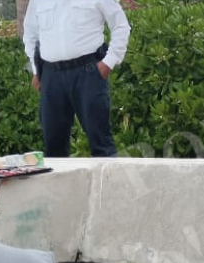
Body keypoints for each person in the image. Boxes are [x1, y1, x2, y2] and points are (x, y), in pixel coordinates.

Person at [22, 0, 131, 158]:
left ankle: (109, 182)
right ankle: (59, 183)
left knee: (100, 141)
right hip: (51, 77)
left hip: (88, 74)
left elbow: (120, 25)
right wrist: (36, 69)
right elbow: (30, 34)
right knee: (53, 145)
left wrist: (109, 62)